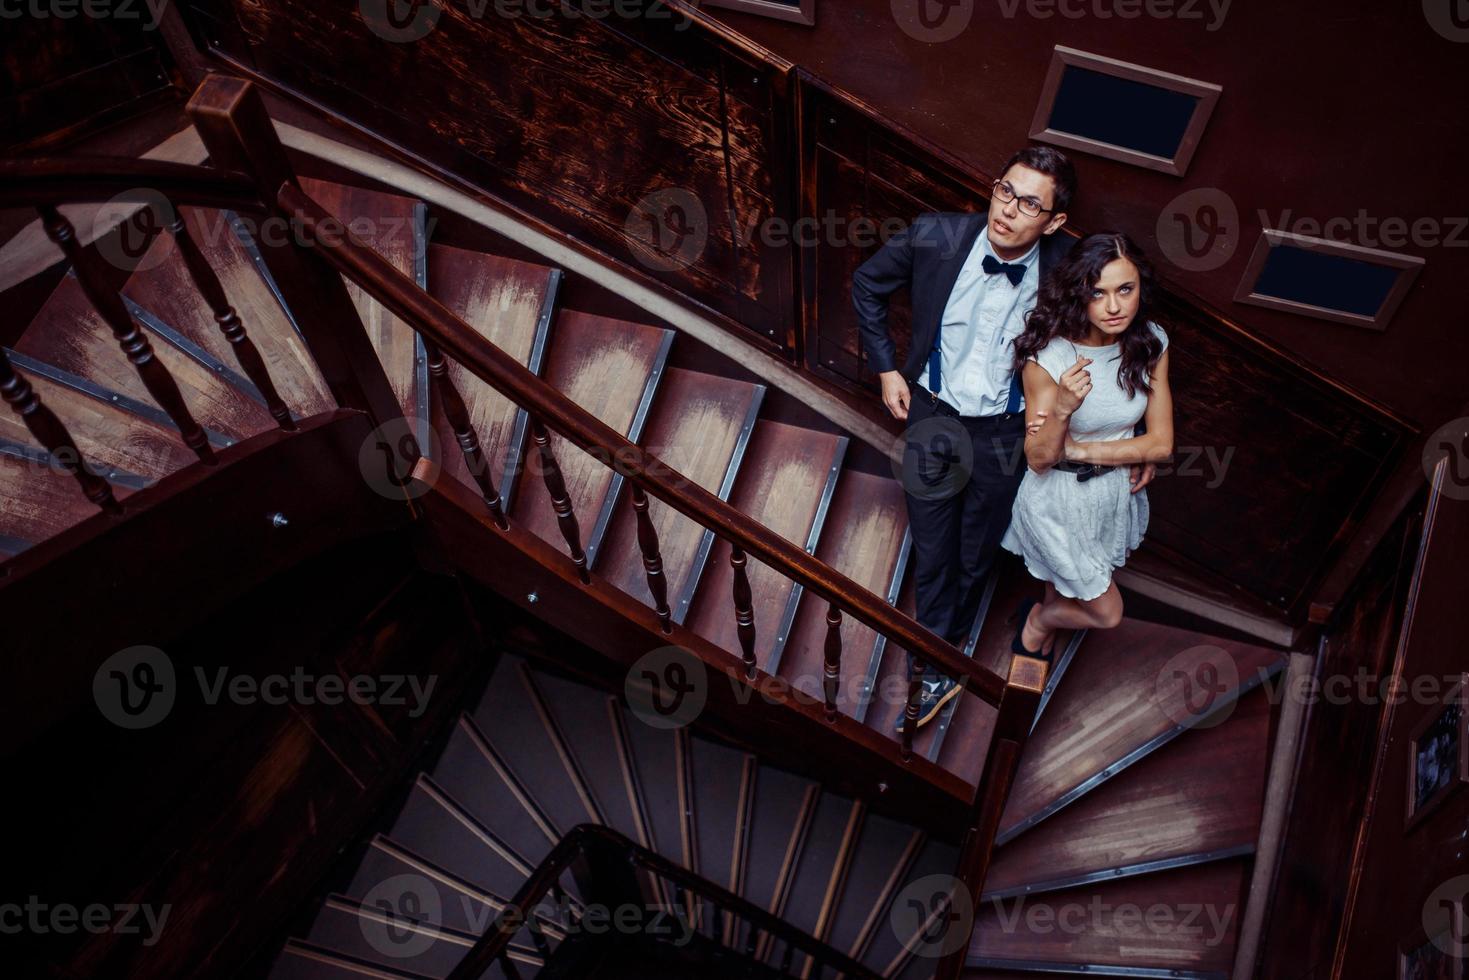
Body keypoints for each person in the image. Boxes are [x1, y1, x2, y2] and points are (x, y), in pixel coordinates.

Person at [851, 146, 1080, 732]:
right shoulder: (937, 236)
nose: (1007, 209)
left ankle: (949, 637)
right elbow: (867, 285)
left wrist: (1130, 437)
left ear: (1052, 222)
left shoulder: (1071, 266)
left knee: (977, 552)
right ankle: (933, 666)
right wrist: (886, 368)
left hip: (1007, 433)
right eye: (1005, 190)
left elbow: (1124, 328)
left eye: (1029, 203)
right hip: (933, 416)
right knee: (933, 547)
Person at [1001, 232, 1174, 657]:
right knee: (1107, 612)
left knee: (1064, 584)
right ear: (1078, 294)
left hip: (1111, 492)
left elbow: (1162, 444)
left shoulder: (1151, 342)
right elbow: (1040, 459)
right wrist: (1061, 408)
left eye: (1125, 290)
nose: (1114, 307)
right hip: (1056, 500)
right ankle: (1039, 621)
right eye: (1098, 293)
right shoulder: (1049, 356)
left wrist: (1077, 449)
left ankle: (1047, 611)